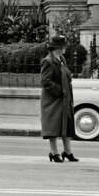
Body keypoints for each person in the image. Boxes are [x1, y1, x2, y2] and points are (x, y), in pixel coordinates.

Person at [40, 34, 78, 162]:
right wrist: (60, 91)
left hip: (64, 98)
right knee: (53, 127)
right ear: (58, 48)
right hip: (53, 100)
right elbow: (45, 81)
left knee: (66, 125)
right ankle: (54, 152)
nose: (65, 48)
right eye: (64, 46)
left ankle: (67, 152)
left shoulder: (61, 59)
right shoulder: (48, 61)